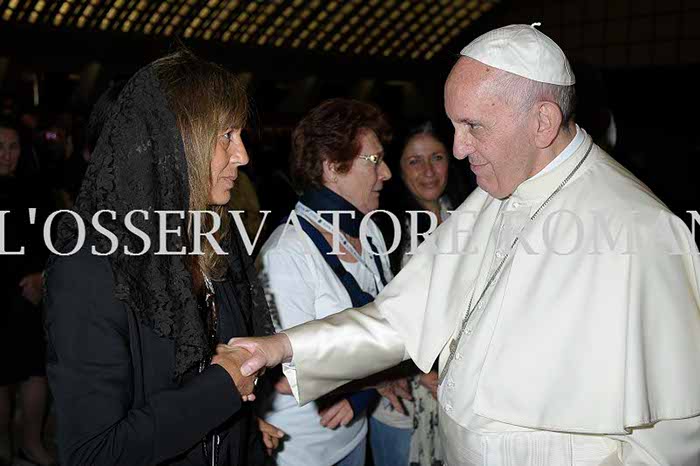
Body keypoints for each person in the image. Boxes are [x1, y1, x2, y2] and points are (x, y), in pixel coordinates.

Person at [228, 24, 700, 465]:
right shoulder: (494, 196)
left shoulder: (641, 227)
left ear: (542, 122)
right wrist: (282, 346)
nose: (457, 149)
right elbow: (401, 315)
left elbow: (672, 435)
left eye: (473, 126)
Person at [44, 51, 274, 466]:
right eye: (225, 135)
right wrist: (221, 387)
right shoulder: (92, 265)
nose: (242, 155)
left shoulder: (215, 240)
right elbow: (93, 453)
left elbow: (238, 414)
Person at [256, 98, 394, 466]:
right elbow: (290, 373)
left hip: (353, 436)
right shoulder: (286, 254)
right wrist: (375, 383)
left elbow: (396, 323)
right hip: (301, 450)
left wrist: (366, 390)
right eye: (375, 161)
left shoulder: (370, 232)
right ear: (332, 167)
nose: (387, 174)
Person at [372, 121, 471, 466]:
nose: (428, 171)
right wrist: (413, 370)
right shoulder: (384, 231)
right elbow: (373, 315)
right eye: (415, 161)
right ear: (397, 169)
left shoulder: (471, 219)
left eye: (437, 157)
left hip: (463, 396)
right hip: (405, 401)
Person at [0, 118, 55, 466]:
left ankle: (30, 444)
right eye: (0, 148)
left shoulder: (36, 189)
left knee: (35, 372)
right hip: (7, 295)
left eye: (13, 147)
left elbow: (57, 245)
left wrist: (42, 277)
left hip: (30, 296)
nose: (6, 156)